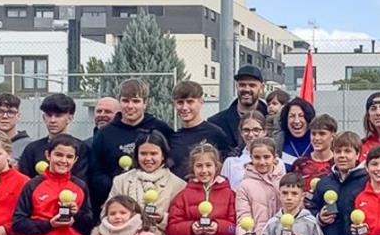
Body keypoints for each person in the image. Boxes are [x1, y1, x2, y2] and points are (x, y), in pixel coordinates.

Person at [90, 78, 176, 212]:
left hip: (155, 202)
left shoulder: (160, 129)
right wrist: (119, 186)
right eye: (125, 100)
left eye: (136, 101)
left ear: (145, 103)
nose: (130, 106)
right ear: (119, 101)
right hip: (117, 204)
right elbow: (96, 173)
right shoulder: (105, 134)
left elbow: (171, 163)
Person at [19, 93, 91, 180]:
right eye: (49, 115)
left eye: (58, 116)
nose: (52, 120)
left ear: (70, 118)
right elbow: (24, 181)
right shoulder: (32, 149)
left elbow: (82, 182)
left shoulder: (82, 149)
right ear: (43, 117)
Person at [170, 80, 232, 179]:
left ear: (201, 102)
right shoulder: (172, 138)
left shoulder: (216, 134)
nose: (184, 107)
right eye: (180, 102)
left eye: (190, 102)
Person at [208, 65, 267, 155]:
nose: (246, 89)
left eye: (252, 85)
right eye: (242, 85)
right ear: (236, 86)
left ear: (262, 88)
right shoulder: (217, 123)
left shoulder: (272, 120)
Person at [222, 112, 267, 189]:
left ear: (264, 131)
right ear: (241, 132)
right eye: (246, 130)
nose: (251, 134)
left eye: (256, 130)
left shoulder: (275, 161)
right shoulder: (230, 162)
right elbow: (224, 192)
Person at [291, 114, 337, 188]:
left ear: (333, 136)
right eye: (313, 134)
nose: (316, 138)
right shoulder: (300, 164)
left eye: (322, 134)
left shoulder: (338, 163)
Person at [278, 97, 316, 169]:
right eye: (292, 116)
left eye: (301, 116)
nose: (296, 121)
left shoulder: (317, 141)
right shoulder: (279, 142)